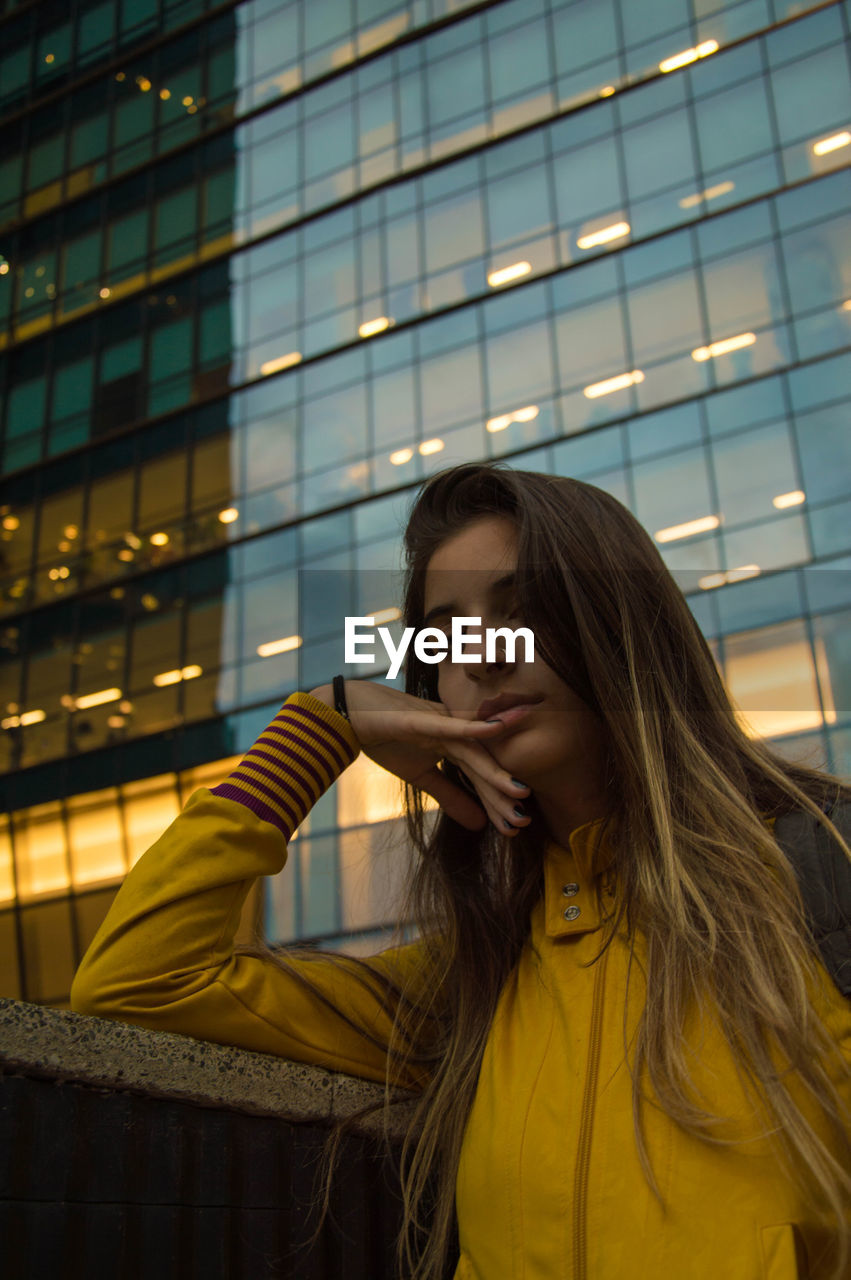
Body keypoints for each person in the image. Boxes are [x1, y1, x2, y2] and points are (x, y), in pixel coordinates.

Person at [71, 462, 851, 1280]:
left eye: (521, 611)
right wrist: (322, 724)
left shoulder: (821, 869)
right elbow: (140, 980)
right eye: (445, 637)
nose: (481, 657)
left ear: (619, 622)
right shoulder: (468, 980)